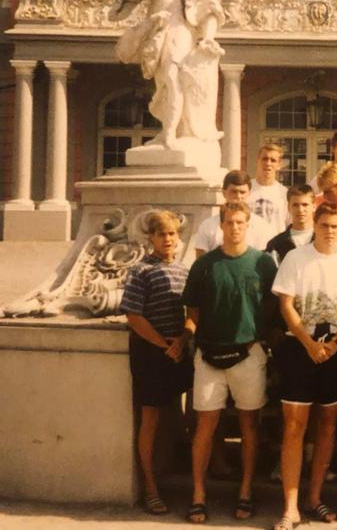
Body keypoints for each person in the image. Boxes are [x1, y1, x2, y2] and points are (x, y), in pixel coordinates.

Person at [270, 202, 337, 529]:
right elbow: (285, 304)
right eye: (324, 225)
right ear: (315, 225)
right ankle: (290, 507)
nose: (330, 232)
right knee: (294, 426)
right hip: (300, 348)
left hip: (335, 350)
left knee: (328, 423)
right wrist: (308, 343)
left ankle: (314, 498)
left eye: (335, 226)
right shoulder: (295, 257)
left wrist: (336, 343)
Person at [182, 201, 278, 524]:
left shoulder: (263, 263)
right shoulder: (205, 265)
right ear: (220, 225)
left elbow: (273, 308)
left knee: (250, 425)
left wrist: (257, 339)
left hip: (248, 354)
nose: (234, 227)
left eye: (240, 222)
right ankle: (198, 493)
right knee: (205, 425)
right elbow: (192, 307)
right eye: (229, 222)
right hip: (209, 356)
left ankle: (246, 490)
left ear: (247, 225)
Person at [121, 210, 193, 516]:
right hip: (151, 354)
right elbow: (134, 317)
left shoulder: (183, 271)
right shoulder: (140, 271)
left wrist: (183, 339)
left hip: (177, 352)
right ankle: (150, 487)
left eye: (172, 234)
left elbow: (193, 313)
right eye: (161, 234)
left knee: (178, 415)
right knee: (149, 419)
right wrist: (164, 344)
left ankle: (174, 473)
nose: (167, 240)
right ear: (151, 238)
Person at [111, 0, 225, 151]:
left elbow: (209, 3)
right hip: (156, 29)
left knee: (173, 77)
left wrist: (208, 37)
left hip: (177, 27)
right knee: (163, 81)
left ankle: (170, 134)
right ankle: (169, 130)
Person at [194, 170, 273, 257]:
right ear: (224, 193)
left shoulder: (261, 226)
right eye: (234, 191)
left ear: (249, 194)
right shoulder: (207, 226)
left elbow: (264, 262)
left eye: (242, 192)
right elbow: (200, 263)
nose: (238, 196)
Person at [264, 183, 315, 264]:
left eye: (305, 205)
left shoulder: (324, 239)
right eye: (295, 205)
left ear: (313, 206)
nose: (300, 210)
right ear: (288, 207)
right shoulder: (276, 244)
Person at [250, 143, 290, 237]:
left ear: (279, 165)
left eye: (273, 160)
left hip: (274, 248)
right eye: (264, 159)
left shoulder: (284, 194)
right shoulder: (246, 189)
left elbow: (289, 224)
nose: (268, 163)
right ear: (257, 160)